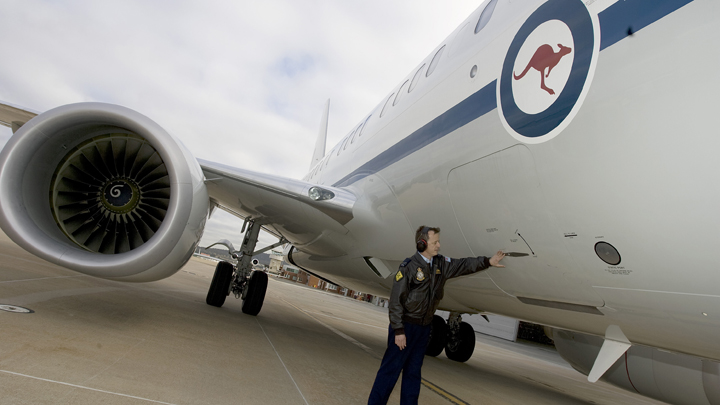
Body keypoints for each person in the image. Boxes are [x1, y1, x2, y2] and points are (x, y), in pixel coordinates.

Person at [367, 226, 506, 405]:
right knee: (389, 372)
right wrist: (399, 331)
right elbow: (395, 302)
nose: (439, 245)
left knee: (413, 374)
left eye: (438, 241)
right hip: (405, 327)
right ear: (422, 244)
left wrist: (488, 261)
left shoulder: (441, 264)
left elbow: (463, 265)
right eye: (435, 242)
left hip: (424, 328)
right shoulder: (408, 267)